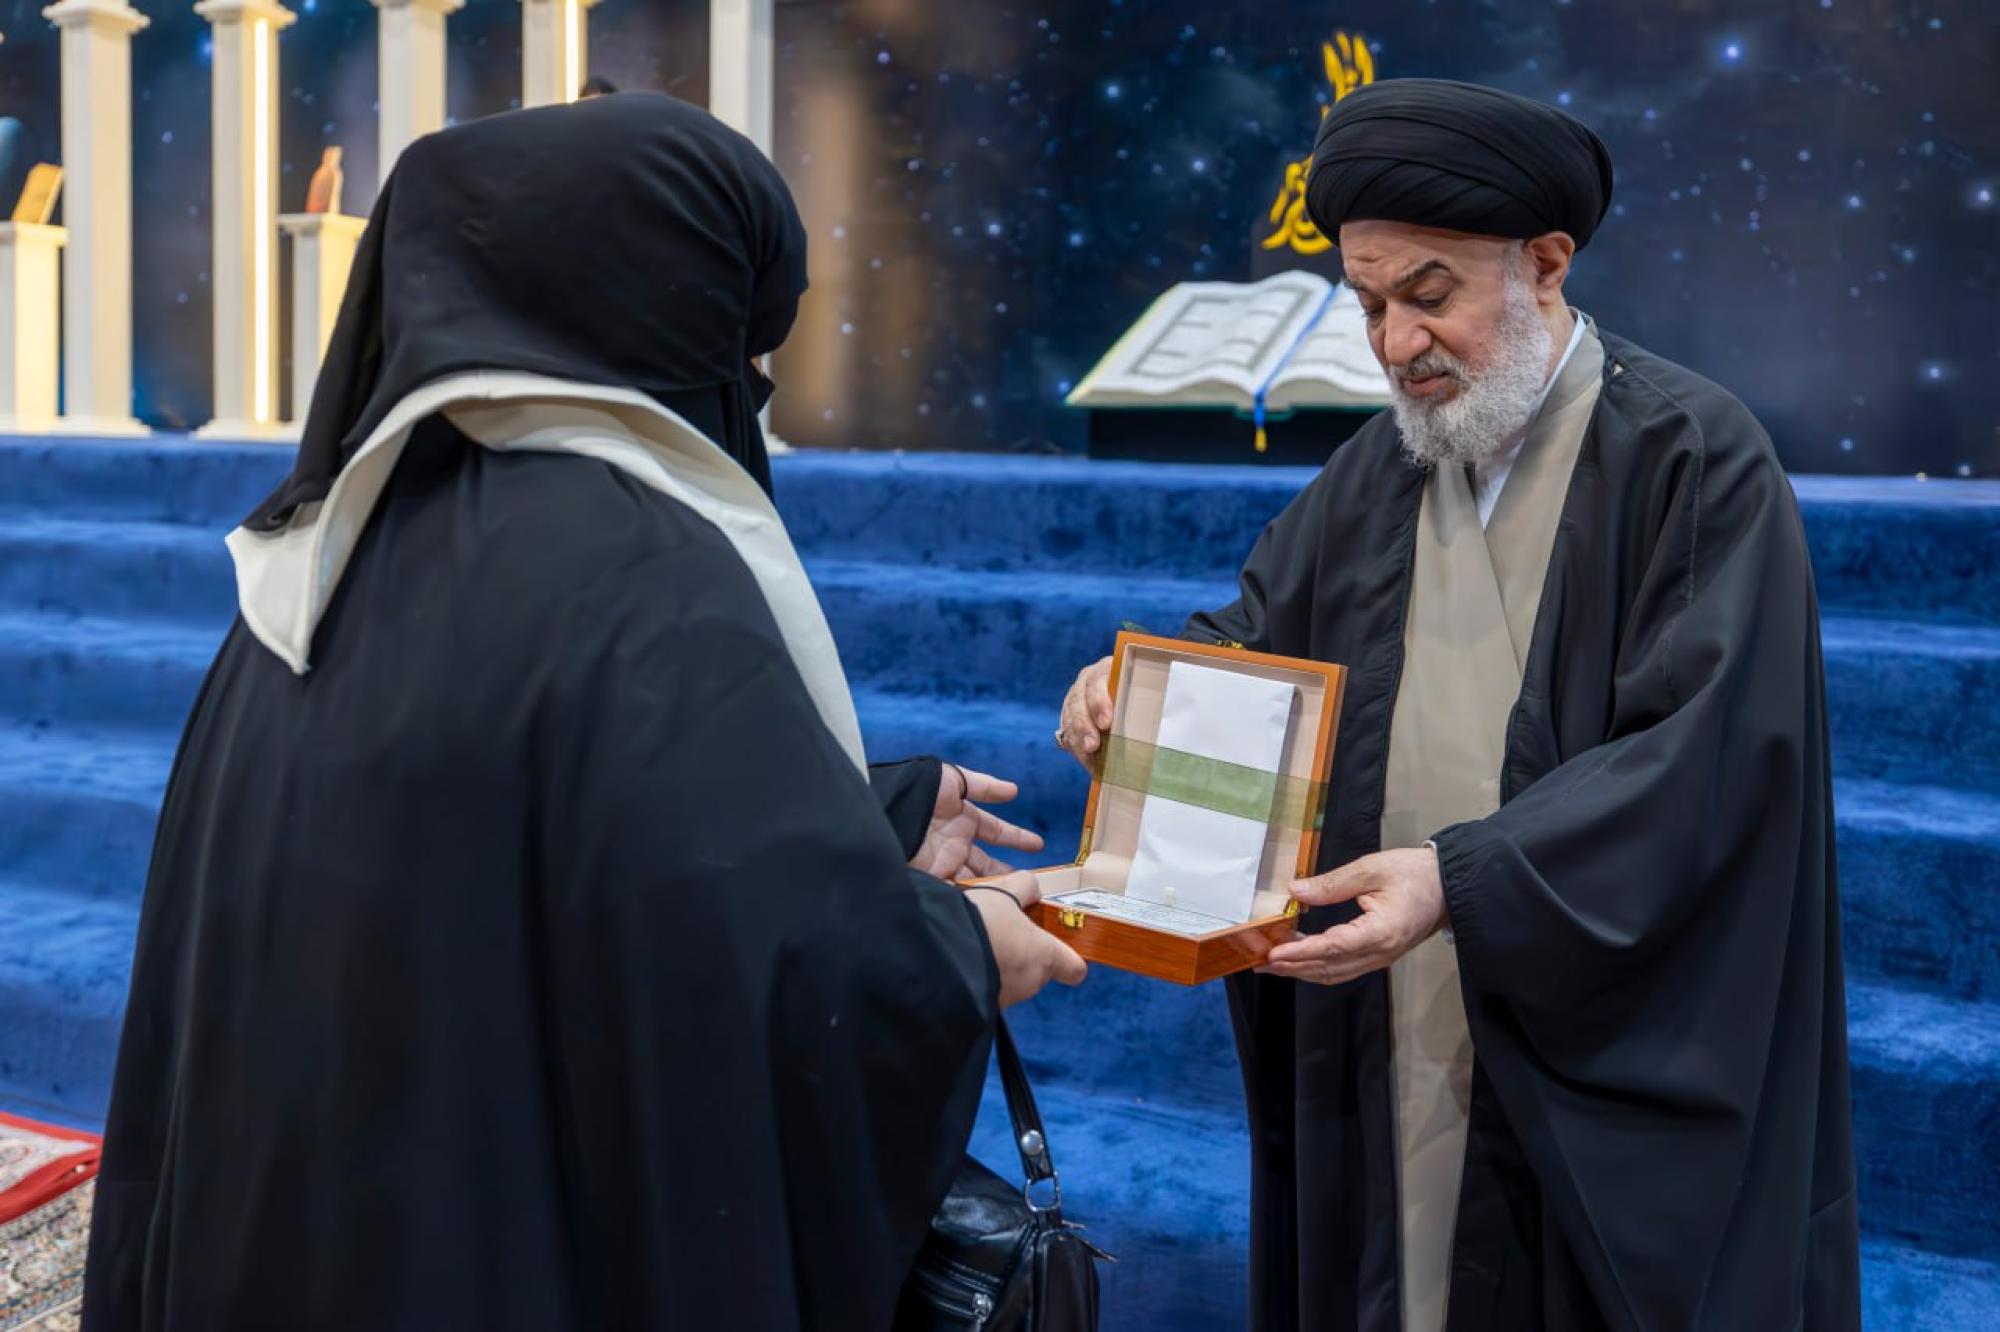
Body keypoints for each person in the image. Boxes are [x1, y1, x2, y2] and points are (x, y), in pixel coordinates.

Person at [84, 93, 1083, 1331]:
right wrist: (959, 950)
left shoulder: (318, 560)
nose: (755, 380)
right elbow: (763, 986)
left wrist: (872, 819)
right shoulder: (640, 574)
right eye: (740, 337)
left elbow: (499, 844)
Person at [1057, 79, 1858, 1332]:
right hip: (1389, 1006)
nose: (1393, 345)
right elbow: (1252, 637)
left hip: (1574, 1022)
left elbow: (1703, 760)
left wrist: (1459, 883)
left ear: (1543, 264)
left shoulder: (1691, 458)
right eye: (1368, 304)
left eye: (1428, 295)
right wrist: (1136, 693)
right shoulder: (1380, 463)